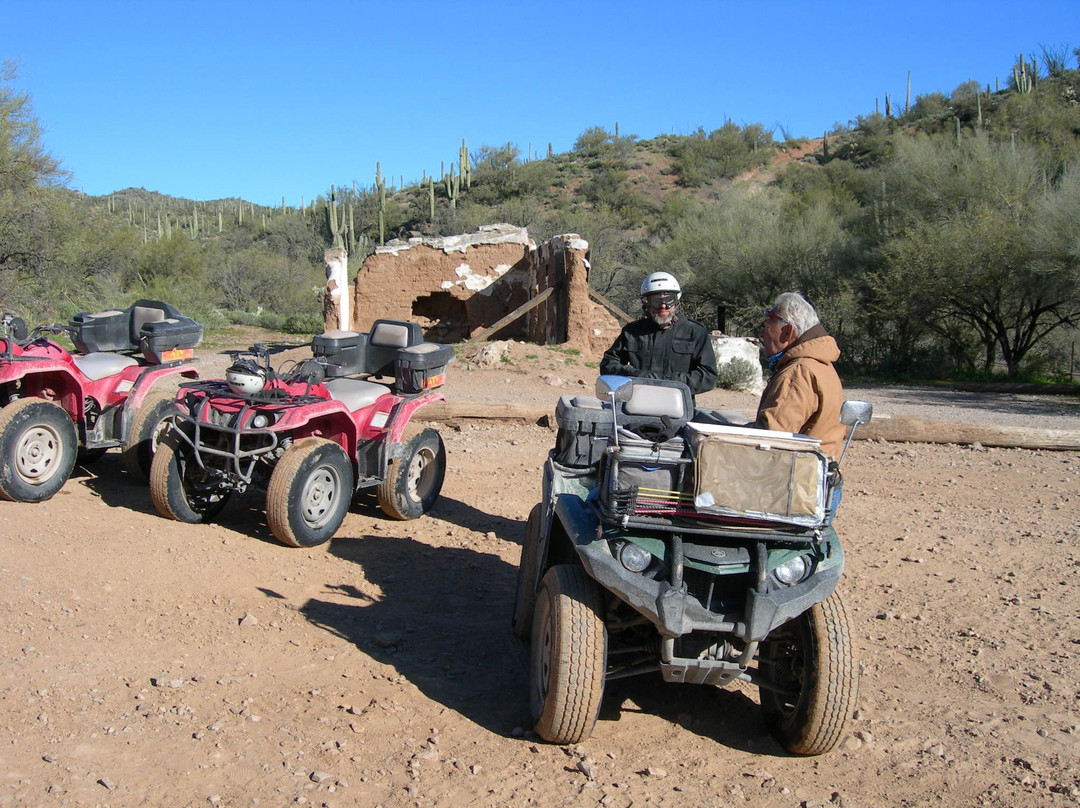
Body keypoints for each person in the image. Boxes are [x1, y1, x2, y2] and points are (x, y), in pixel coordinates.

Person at [754, 291, 845, 458]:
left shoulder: (798, 372)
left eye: (767, 327)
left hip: (800, 476)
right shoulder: (821, 364)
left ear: (787, 332)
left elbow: (771, 439)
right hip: (820, 470)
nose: (762, 334)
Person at [600, 271, 718, 398]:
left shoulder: (695, 332)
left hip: (678, 408)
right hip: (636, 403)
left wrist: (671, 382)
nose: (663, 306)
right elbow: (608, 364)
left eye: (669, 300)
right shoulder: (632, 331)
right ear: (646, 302)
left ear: (676, 301)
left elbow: (708, 376)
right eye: (656, 301)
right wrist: (638, 376)